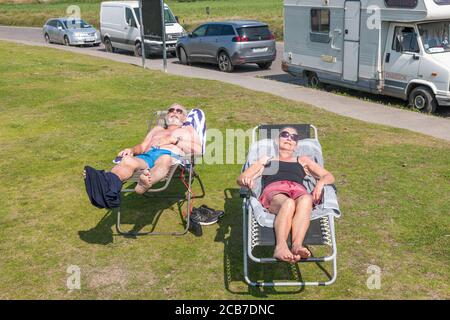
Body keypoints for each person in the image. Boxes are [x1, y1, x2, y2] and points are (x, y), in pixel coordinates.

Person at [237, 127, 335, 263]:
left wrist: (320, 183)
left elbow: (328, 176)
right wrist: (246, 179)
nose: (289, 138)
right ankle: (280, 247)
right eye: (285, 135)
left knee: (307, 198)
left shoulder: (302, 160)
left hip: (298, 191)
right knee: (288, 203)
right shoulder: (267, 160)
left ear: (296, 145)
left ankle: (296, 245)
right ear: (277, 141)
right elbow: (242, 177)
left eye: (294, 137)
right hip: (274, 191)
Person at [84, 103, 202, 209]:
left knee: (164, 160)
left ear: (184, 118)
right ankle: (103, 186)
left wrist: (174, 141)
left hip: (169, 155)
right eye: (171, 110)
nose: (174, 112)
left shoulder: (188, 130)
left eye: (179, 111)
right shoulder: (157, 129)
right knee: (127, 160)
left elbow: (198, 150)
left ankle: (144, 185)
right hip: (148, 155)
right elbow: (142, 147)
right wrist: (131, 150)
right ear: (167, 116)